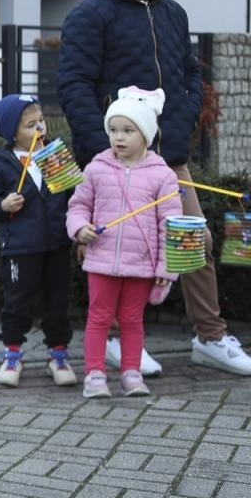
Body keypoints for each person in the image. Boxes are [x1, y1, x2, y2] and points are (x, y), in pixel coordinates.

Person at [58, 0, 251, 376]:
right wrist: (104, 151)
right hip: (112, 163)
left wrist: (182, 121)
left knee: (197, 241)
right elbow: (73, 86)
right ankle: (116, 340)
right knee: (117, 247)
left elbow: (191, 76)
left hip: (168, 161)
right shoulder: (89, 16)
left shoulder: (173, 14)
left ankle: (210, 338)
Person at [66, 87, 181, 399]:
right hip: (101, 261)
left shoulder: (163, 176)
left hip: (141, 264)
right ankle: (94, 374)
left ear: (146, 134)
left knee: (132, 320)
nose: (119, 137)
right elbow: (78, 206)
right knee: (98, 318)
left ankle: (132, 372)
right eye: (113, 130)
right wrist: (80, 229)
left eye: (128, 131)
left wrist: (166, 268)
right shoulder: (96, 169)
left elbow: (170, 226)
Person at [0, 94, 77, 387]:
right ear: (12, 133)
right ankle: (12, 354)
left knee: (58, 301)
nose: (40, 128)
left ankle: (58, 355)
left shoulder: (54, 155)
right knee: (17, 302)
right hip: (20, 247)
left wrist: (79, 233)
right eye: (31, 125)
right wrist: (2, 205)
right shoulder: (0, 164)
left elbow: (75, 198)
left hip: (57, 244)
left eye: (41, 121)